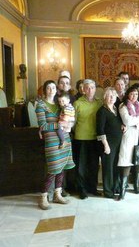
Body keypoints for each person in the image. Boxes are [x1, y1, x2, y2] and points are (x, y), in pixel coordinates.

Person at [35, 80, 75, 210]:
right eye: (48, 88)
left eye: (53, 87)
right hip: (51, 140)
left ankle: (57, 194)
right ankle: (44, 196)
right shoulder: (40, 105)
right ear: (44, 90)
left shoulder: (59, 104)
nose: (51, 90)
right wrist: (59, 125)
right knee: (53, 169)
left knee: (62, 167)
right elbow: (43, 126)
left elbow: (69, 118)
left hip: (64, 138)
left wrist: (70, 124)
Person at [117, 86, 139, 199]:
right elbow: (127, 120)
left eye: (136, 94)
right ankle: (123, 189)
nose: (134, 96)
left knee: (138, 160)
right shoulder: (123, 106)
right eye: (131, 94)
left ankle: (136, 185)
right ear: (127, 94)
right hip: (129, 136)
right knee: (126, 161)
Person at [73, 79, 103, 199]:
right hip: (81, 138)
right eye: (87, 88)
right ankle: (82, 189)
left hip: (95, 138)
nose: (90, 90)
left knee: (94, 165)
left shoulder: (99, 103)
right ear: (83, 90)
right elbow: (73, 123)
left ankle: (92, 188)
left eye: (92, 87)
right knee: (81, 166)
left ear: (95, 89)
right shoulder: (77, 103)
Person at [96, 87, 123, 198]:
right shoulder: (102, 111)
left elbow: (117, 123)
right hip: (107, 144)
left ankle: (115, 187)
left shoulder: (116, 109)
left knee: (116, 166)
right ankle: (108, 191)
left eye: (113, 95)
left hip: (117, 143)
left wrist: (123, 126)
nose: (112, 98)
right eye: (109, 96)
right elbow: (100, 130)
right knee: (108, 168)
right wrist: (105, 145)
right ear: (105, 97)